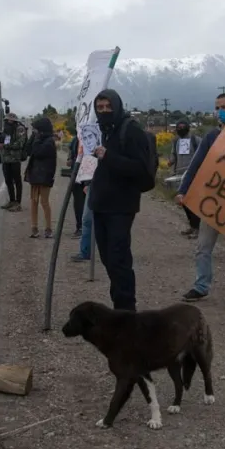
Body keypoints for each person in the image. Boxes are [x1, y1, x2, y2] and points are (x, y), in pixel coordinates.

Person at [175, 93, 225, 310]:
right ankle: (201, 286)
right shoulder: (211, 137)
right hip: (212, 202)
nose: (220, 111)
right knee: (203, 247)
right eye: (217, 107)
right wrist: (183, 190)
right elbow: (196, 165)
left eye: (224, 107)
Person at [87, 89, 153, 312]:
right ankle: (119, 304)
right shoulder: (101, 130)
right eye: (100, 108)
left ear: (117, 106)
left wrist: (109, 156)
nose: (104, 111)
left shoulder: (130, 130)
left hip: (121, 206)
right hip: (100, 204)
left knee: (119, 259)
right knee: (108, 259)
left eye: (108, 107)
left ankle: (126, 310)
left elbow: (141, 169)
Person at [24, 117, 57, 238]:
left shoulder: (49, 142)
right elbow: (28, 151)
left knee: (44, 202)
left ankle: (48, 228)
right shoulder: (38, 139)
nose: (35, 132)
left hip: (44, 177)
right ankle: (34, 227)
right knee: (34, 202)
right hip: (35, 176)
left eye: (36, 130)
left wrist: (36, 139)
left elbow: (38, 152)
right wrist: (33, 138)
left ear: (42, 130)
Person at [169, 119, 201, 238]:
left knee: (192, 202)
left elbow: (202, 153)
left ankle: (197, 228)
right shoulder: (176, 140)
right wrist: (170, 162)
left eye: (183, 126)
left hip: (193, 176)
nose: (180, 129)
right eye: (178, 127)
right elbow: (173, 154)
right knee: (184, 203)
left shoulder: (195, 140)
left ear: (187, 127)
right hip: (180, 175)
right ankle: (192, 226)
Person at [0, 113, 27, 211]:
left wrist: (5, 146)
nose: (7, 122)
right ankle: (11, 201)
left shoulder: (20, 129)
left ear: (14, 121)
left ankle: (18, 203)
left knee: (17, 181)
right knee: (8, 180)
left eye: (9, 120)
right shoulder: (7, 130)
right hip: (6, 159)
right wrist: (1, 145)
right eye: (6, 120)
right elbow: (6, 142)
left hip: (15, 159)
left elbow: (20, 144)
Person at [67, 133, 85, 237]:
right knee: (78, 202)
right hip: (76, 174)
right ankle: (79, 226)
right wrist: (69, 159)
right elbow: (71, 150)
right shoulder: (76, 138)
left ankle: (87, 228)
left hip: (88, 175)